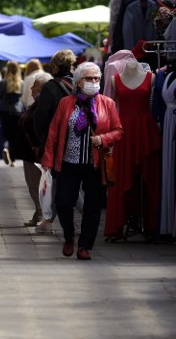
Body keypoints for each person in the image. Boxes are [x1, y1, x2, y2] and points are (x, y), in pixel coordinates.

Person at [41, 61, 123, 261]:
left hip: (95, 165)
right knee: (63, 203)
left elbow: (119, 131)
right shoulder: (66, 103)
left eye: (96, 79)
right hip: (69, 163)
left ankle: (85, 246)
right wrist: (48, 160)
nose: (94, 82)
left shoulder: (107, 104)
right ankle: (69, 237)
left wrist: (102, 139)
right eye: (89, 78)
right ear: (79, 82)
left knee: (93, 207)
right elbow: (53, 132)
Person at [14, 72, 54, 228]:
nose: (31, 88)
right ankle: (39, 212)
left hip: (35, 152)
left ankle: (41, 214)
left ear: (42, 88)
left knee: (36, 184)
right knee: (33, 184)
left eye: (35, 85)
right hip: (30, 151)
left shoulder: (42, 104)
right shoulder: (37, 102)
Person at [0, 60, 24, 166]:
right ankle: (13, 159)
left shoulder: (3, 82)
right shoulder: (21, 83)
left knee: (5, 133)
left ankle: (5, 148)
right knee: (15, 135)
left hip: (4, 111)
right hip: (17, 111)